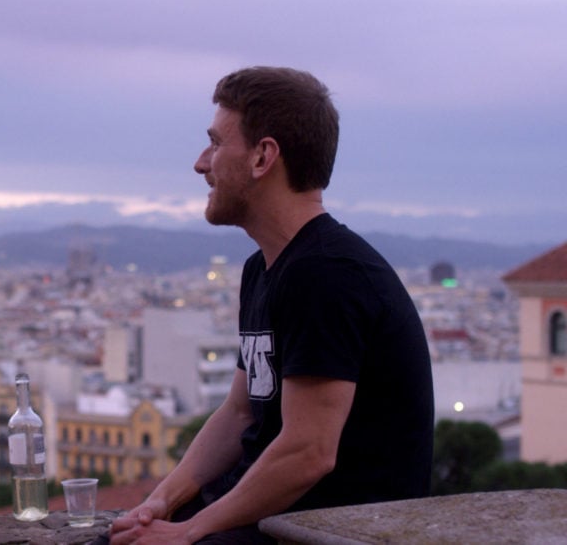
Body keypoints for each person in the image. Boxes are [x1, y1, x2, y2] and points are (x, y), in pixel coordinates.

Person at [109, 67, 434, 544]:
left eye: (217, 143)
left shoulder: (327, 274)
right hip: (276, 520)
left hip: (330, 529)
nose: (202, 163)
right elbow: (240, 413)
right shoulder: (265, 269)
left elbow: (309, 451)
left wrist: (189, 531)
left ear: (263, 157)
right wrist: (163, 500)